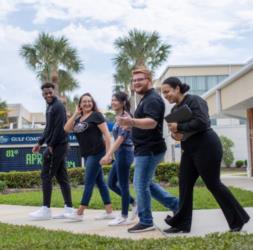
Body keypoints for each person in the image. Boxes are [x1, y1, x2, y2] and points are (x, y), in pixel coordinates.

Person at [161, 77, 250, 233]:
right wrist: (177, 133)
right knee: (184, 184)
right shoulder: (175, 110)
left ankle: (238, 220)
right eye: (163, 93)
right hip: (189, 148)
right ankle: (182, 224)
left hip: (207, 146)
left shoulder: (195, 100)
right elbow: (182, 131)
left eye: (167, 91)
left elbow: (203, 122)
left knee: (213, 183)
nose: (165, 95)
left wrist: (179, 125)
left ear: (177, 88)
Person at [117, 67, 179, 233]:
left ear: (149, 81)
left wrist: (131, 123)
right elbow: (143, 123)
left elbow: (151, 122)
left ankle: (146, 221)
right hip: (144, 149)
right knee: (147, 184)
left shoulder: (152, 99)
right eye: (135, 80)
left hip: (150, 149)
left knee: (140, 184)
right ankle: (177, 205)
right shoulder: (145, 99)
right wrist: (130, 126)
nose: (136, 82)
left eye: (140, 79)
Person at [64, 93, 115, 221]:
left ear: (93, 103)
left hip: (97, 153)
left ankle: (80, 213)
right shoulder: (78, 119)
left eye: (89, 101)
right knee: (100, 183)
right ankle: (109, 212)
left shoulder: (96, 115)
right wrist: (75, 113)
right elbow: (66, 128)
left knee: (89, 181)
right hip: (87, 154)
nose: (87, 103)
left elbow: (107, 135)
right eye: (84, 101)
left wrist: (108, 154)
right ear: (80, 104)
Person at [30, 82, 73, 220]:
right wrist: (39, 143)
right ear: (42, 94)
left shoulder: (58, 106)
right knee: (62, 177)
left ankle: (46, 209)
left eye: (50, 92)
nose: (48, 95)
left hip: (58, 145)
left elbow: (60, 128)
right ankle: (69, 209)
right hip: (56, 145)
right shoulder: (49, 107)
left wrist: (51, 145)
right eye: (45, 93)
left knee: (46, 175)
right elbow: (48, 128)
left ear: (54, 92)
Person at [100, 92, 137, 226]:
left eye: (115, 100)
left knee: (123, 185)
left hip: (125, 153)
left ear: (122, 102)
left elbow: (121, 139)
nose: (113, 102)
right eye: (112, 99)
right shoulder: (118, 117)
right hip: (120, 154)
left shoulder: (126, 116)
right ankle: (134, 203)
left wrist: (108, 154)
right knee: (111, 183)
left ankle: (124, 216)